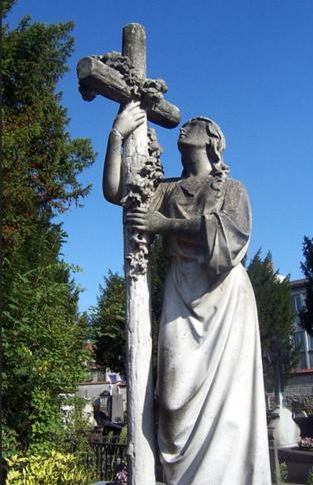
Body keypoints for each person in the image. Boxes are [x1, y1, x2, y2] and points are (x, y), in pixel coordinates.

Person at [103, 102, 271, 485]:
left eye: (198, 124)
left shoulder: (233, 189)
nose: (187, 125)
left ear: (212, 142)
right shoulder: (168, 190)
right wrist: (117, 134)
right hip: (182, 291)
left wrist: (166, 224)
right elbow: (116, 192)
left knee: (230, 407)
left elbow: (234, 233)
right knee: (174, 396)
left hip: (225, 298)